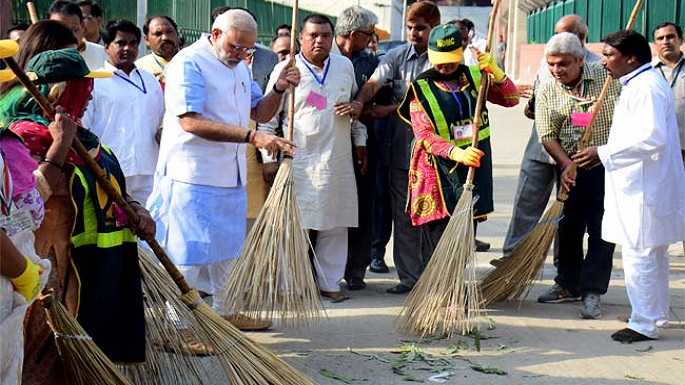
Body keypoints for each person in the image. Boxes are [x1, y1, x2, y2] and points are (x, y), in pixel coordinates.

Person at [0, 33, 154, 382]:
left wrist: (133, 208)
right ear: (62, 92)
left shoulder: (80, 136)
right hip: (40, 263)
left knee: (64, 355)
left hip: (82, 265)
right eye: (83, 88)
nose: (89, 97)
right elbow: (34, 197)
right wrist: (59, 145)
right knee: (32, 348)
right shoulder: (24, 136)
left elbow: (105, 181)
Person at [147, 9, 298, 330]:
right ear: (215, 34)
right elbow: (190, 121)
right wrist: (253, 137)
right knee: (186, 253)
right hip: (192, 174)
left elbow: (259, 109)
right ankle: (176, 328)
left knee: (228, 250)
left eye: (248, 50)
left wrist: (279, 88)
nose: (242, 55)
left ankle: (226, 311)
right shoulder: (189, 63)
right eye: (235, 47)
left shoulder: (239, 67)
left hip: (230, 174)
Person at [577, 30, 685, 342]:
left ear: (631, 58)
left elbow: (651, 139)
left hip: (645, 188)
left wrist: (602, 152)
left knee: (641, 255)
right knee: (652, 255)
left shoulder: (646, 88)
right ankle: (654, 313)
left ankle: (644, 323)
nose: (604, 62)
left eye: (609, 55)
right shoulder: (638, 83)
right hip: (641, 185)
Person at [258, 14, 365, 302]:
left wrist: (359, 136)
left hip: (337, 158)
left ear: (333, 38)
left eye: (325, 35)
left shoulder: (344, 66)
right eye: (313, 35)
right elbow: (267, 118)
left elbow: (355, 107)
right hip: (299, 160)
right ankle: (290, 287)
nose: (320, 41)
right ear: (300, 39)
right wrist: (267, 158)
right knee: (293, 225)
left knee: (336, 222)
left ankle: (329, 282)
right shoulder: (287, 68)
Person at [398, 23, 518, 265]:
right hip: (437, 175)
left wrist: (496, 72)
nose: (445, 65)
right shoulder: (420, 88)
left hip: (472, 170)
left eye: (451, 59)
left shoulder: (476, 78)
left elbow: (511, 99)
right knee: (439, 241)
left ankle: (456, 292)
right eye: (440, 60)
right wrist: (456, 153)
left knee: (464, 237)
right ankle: (438, 295)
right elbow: (424, 135)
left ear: (461, 52)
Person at [496, 15, 602, 266]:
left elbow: (595, 114)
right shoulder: (548, 63)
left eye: (564, 34)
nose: (557, 40)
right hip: (541, 146)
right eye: (554, 33)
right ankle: (512, 257)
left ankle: (562, 267)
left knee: (566, 211)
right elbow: (534, 105)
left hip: (575, 152)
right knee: (526, 201)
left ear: (581, 39)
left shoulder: (597, 69)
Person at [353, 0, 440, 294]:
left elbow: (429, 102)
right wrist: (360, 102)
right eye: (410, 27)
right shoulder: (396, 56)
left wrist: (389, 110)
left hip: (437, 155)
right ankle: (409, 278)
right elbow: (374, 83)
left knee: (433, 215)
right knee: (404, 213)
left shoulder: (446, 60)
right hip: (402, 150)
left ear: (434, 28)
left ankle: (435, 275)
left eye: (421, 28)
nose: (414, 33)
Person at [534, 32, 619, 320]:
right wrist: (566, 164)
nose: (557, 70)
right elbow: (546, 135)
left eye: (564, 64)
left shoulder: (607, 79)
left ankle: (593, 290)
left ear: (581, 60)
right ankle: (566, 283)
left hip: (605, 166)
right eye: (552, 64)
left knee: (601, 229)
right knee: (568, 228)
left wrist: (602, 151)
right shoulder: (546, 89)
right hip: (568, 167)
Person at [81, 20, 164, 205]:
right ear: (106, 47)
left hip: (149, 168)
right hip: (110, 167)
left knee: (149, 226)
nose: (128, 48)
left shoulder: (150, 81)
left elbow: (161, 120)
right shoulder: (95, 81)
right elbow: (83, 127)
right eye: (120, 43)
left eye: (133, 43)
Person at [331, 5, 378, 291]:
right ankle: (319, 271)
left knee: (361, 207)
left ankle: (356, 269)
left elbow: (360, 109)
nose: (372, 40)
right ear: (352, 33)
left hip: (359, 142)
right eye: (368, 34)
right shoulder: (326, 60)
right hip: (324, 145)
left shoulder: (368, 62)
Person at [652, 22, 685, 165]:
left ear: (681, 40)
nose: (665, 41)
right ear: (655, 44)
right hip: (657, 150)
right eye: (660, 38)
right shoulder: (647, 72)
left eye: (670, 37)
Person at [48, 0, 108, 70]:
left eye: (74, 30)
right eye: (59, 31)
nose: (68, 37)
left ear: (82, 26)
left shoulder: (102, 55)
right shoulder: (43, 60)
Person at [135, 15, 182, 90]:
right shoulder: (139, 69)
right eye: (158, 34)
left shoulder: (193, 62)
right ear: (147, 40)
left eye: (169, 32)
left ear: (178, 35)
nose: (165, 37)